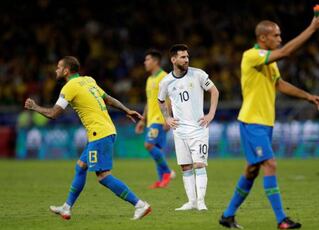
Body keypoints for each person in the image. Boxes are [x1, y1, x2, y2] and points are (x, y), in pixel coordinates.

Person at [219, 13, 319, 230]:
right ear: (263, 38)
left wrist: (307, 96)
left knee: (251, 170)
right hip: (252, 122)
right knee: (270, 164)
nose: (280, 39)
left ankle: (227, 216)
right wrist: (312, 27)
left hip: (265, 123)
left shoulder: (267, 60)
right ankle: (281, 219)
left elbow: (279, 84)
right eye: (276, 35)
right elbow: (287, 51)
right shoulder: (251, 55)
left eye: (280, 35)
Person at [24, 56, 151, 220]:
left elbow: (54, 113)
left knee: (103, 176)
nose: (56, 70)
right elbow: (108, 99)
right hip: (104, 130)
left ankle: (140, 204)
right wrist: (126, 110)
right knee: (81, 166)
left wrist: (34, 107)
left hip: (100, 134)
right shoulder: (88, 80)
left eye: (58, 67)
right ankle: (66, 207)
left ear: (66, 70)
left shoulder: (69, 87)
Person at [158, 44, 219, 211]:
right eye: (183, 57)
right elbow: (161, 100)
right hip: (179, 130)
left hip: (199, 128)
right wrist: (167, 118)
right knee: (185, 166)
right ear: (173, 59)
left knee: (199, 164)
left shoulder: (198, 74)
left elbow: (214, 91)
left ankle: (201, 202)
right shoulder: (166, 82)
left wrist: (211, 114)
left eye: (187, 57)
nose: (186, 59)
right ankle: (191, 202)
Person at [135, 49, 175, 189]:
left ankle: (168, 172)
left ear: (156, 61)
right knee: (157, 147)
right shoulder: (149, 79)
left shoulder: (164, 76)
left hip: (160, 119)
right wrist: (142, 120)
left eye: (148, 59)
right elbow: (149, 101)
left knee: (149, 145)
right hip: (151, 119)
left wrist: (167, 118)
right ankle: (161, 180)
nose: (145, 62)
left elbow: (169, 99)